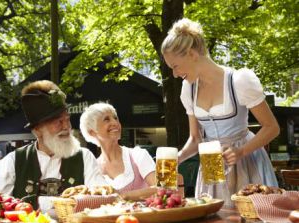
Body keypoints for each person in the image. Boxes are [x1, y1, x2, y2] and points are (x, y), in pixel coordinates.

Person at [161, 18, 280, 206]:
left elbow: (272, 127)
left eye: (175, 66)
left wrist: (241, 151)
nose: (175, 74)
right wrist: (179, 157)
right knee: (214, 218)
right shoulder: (188, 89)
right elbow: (196, 138)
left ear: (192, 54)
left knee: (252, 219)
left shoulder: (239, 80)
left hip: (246, 162)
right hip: (211, 165)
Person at [0, 80, 105, 208]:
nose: (67, 127)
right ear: (37, 130)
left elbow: (101, 199)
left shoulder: (84, 157)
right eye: (58, 122)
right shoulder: (13, 161)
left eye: (67, 119)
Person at [79, 102, 158, 200]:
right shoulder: (93, 169)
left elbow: (161, 189)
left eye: (115, 118)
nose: (115, 123)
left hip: (146, 215)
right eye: (106, 119)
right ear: (92, 132)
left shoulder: (137, 155)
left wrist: (124, 196)